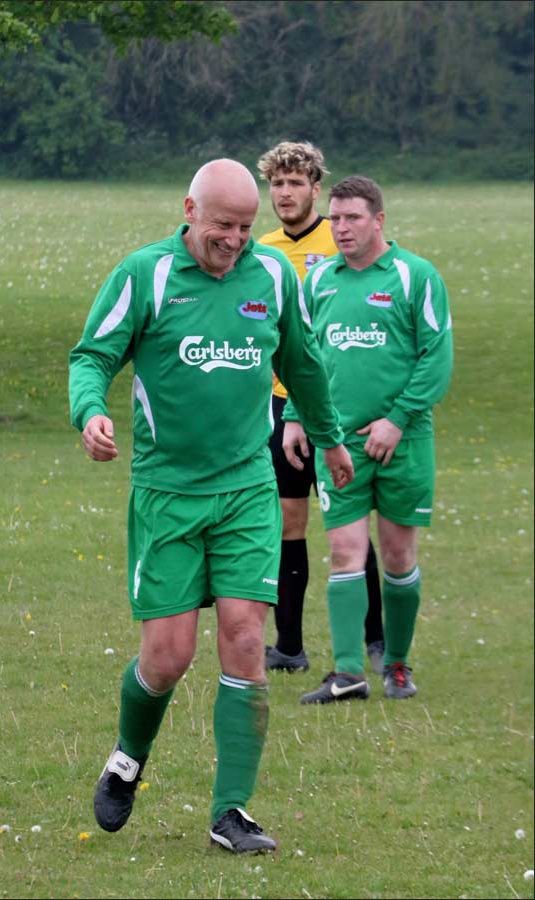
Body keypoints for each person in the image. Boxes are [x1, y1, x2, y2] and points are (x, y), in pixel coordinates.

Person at [68, 159, 354, 854]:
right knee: (168, 657)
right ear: (189, 210)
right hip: (168, 493)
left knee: (247, 638)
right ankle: (128, 759)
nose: (235, 240)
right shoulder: (145, 275)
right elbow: (92, 356)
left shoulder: (273, 276)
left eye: (247, 228)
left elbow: (303, 364)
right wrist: (89, 411)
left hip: (247, 489)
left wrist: (329, 437)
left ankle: (231, 812)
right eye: (224, 225)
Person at [282, 175, 453, 704]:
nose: (341, 228)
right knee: (344, 552)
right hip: (339, 444)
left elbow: (437, 357)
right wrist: (294, 414)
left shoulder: (415, 276)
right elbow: (302, 357)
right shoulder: (318, 280)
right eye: (335, 218)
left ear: (379, 220)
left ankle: (396, 665)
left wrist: (396, 419)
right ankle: (348, 673)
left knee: (398, 555)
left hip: (404, 440)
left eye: (353, 217)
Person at [256, 141, 385, 676]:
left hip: (337, 411)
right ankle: (289, 646)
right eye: (277, 184)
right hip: (281, 407)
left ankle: (376, 640)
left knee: (348, 525)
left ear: (316, 188)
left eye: (296, 183)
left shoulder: (344, 237)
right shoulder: (260, 250)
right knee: (288, 521)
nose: (285, 193)